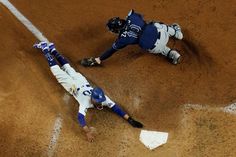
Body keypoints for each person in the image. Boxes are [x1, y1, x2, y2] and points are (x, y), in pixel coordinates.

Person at [33, 41, 143, 142]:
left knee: (67, 67)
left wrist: (130, 119)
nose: (100, 103)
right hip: (73, 85)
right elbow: (80, 117)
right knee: (57, 70)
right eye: (98, 101)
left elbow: (115, 108)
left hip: (81, 81)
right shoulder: (86, 102)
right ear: (93, 99)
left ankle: (53, 50)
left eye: (100, 101)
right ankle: (45, 49)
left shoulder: (102, 98)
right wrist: (87, 132)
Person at [81, 9, 183, 67]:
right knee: (155, 24)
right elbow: (140, 17)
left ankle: (172, 54)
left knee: (154, 46)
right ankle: (176, 33)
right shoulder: (132, 16)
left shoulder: (122, 39)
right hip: (163, 34)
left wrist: (98, 59)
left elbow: (111, 50)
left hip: (156, 48)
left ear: (115, 30)